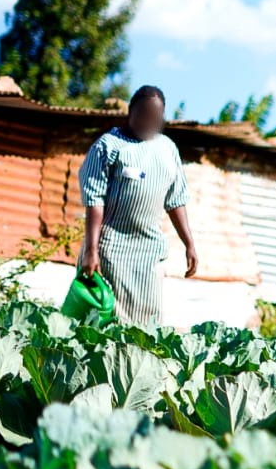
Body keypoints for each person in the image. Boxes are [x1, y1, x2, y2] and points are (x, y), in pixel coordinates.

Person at [78, 85, 198, 326]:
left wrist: (189, 243)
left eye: (155, 118)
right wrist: (92, 250)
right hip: (111, 250)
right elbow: (94, 201)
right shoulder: (109, 146)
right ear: (131, 111)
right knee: (109, 323)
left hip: (149, 251)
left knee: (147, 323)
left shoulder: (167, 149)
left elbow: (175, 200)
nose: (149, 122)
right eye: (144, 115)